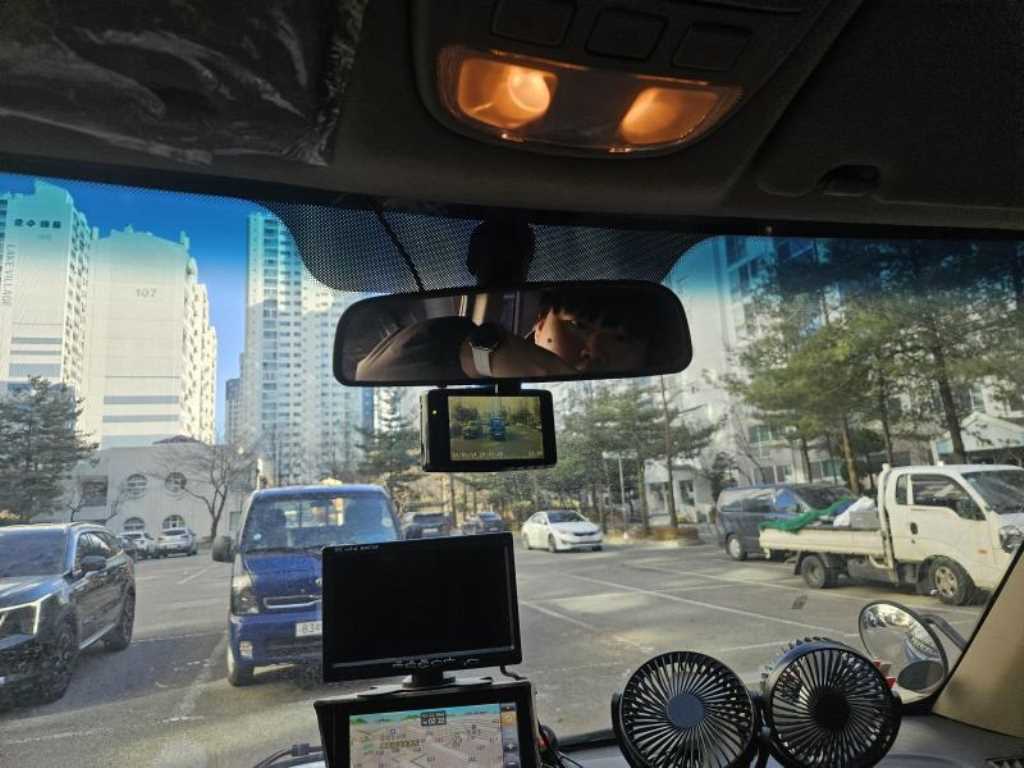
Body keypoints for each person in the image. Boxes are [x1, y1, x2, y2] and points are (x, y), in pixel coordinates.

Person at [354, 285, 655, 381]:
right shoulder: (430, 347)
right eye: (577, 326)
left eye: (620, 338)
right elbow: (379, 368)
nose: (594, 350)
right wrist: (486, 355)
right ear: (540, 322)